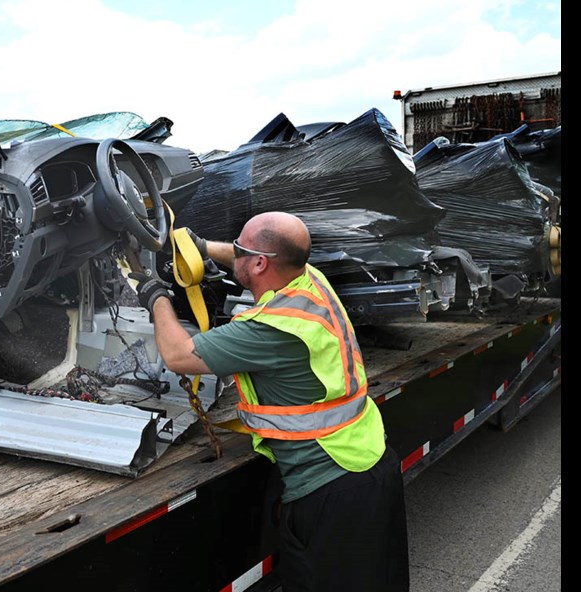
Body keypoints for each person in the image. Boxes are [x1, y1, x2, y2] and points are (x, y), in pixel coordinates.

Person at [133, 211, 410, 592]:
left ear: (260, 263)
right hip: (369, 460)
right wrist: (200, 249)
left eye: (239, 248)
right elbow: (250, 255)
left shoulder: (270, 329)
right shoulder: (309, 282)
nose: (233, 252)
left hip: (331, 490)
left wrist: (156, 296)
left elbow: (179, 355)